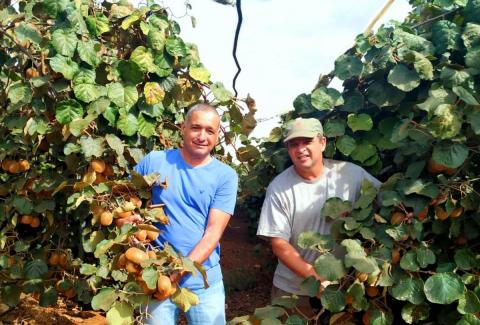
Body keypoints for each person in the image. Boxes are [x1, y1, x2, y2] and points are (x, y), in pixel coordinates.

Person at [256, 117, 381, 317]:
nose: (300, 149)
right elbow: (279, 243)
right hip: (294, 290)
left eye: (307, 141)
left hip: (344, 286)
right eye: (293, 144)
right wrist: (316, 278)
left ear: (322, 143)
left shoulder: (351, 175)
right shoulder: (279, 188)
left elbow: (384, 198)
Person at [134, 103, 238, 325]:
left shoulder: (225, 176)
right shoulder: (155, 161)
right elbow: (126, 198)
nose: (202, 136)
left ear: (217, 135)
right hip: (156, 276)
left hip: (203, 283)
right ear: (183, 128)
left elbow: (213, 232)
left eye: (210, 131)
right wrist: (128, 219)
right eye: (196, 128)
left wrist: (179, 271)